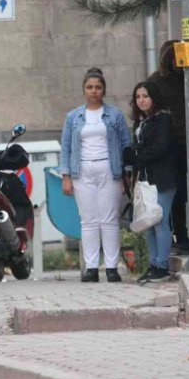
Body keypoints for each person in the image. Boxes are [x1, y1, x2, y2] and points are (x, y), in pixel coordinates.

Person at [59, 68, 131, 283]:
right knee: (88, 220)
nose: (93, 91)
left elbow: (126, 145)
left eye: (98, 87)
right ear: (84, 89)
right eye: (89, 87)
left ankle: (111, 267)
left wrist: (127, 174)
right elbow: (65, 148)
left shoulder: (115, 115)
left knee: (109, 220)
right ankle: (90, 267)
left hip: (110, 170)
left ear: (104, 90)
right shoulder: (73, 117)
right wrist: (65, 176)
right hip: (82, 171)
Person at [130, 81, 177, 283]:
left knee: (160, 221)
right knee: (148, 223)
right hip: (146, 180)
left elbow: (161, 147)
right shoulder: (140, 122)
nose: (141, 100)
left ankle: (162, 266)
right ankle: (153, 264)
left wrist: (137, 156)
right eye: (138, 96)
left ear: (154, 98)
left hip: (164, 179)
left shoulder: (163, 120)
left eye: (145, 96)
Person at [147, 40, 189, 253]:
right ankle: (179, 236)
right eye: (174, 57)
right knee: (175, 195)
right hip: (170, 146)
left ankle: (184, 236)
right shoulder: (156, 81)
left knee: (187, 193)